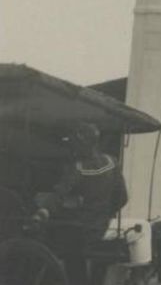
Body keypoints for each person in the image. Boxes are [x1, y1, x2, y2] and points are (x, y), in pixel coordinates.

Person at [31, 122, 129, 285]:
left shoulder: (77, 168)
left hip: (81, 230)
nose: (73, 149)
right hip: (102, 225)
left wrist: (42, 212)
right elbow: (123, 198)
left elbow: (59, 195)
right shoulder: (112, 162)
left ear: (83, 144)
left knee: (65, 246)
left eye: (75, 144)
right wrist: (107, 213)